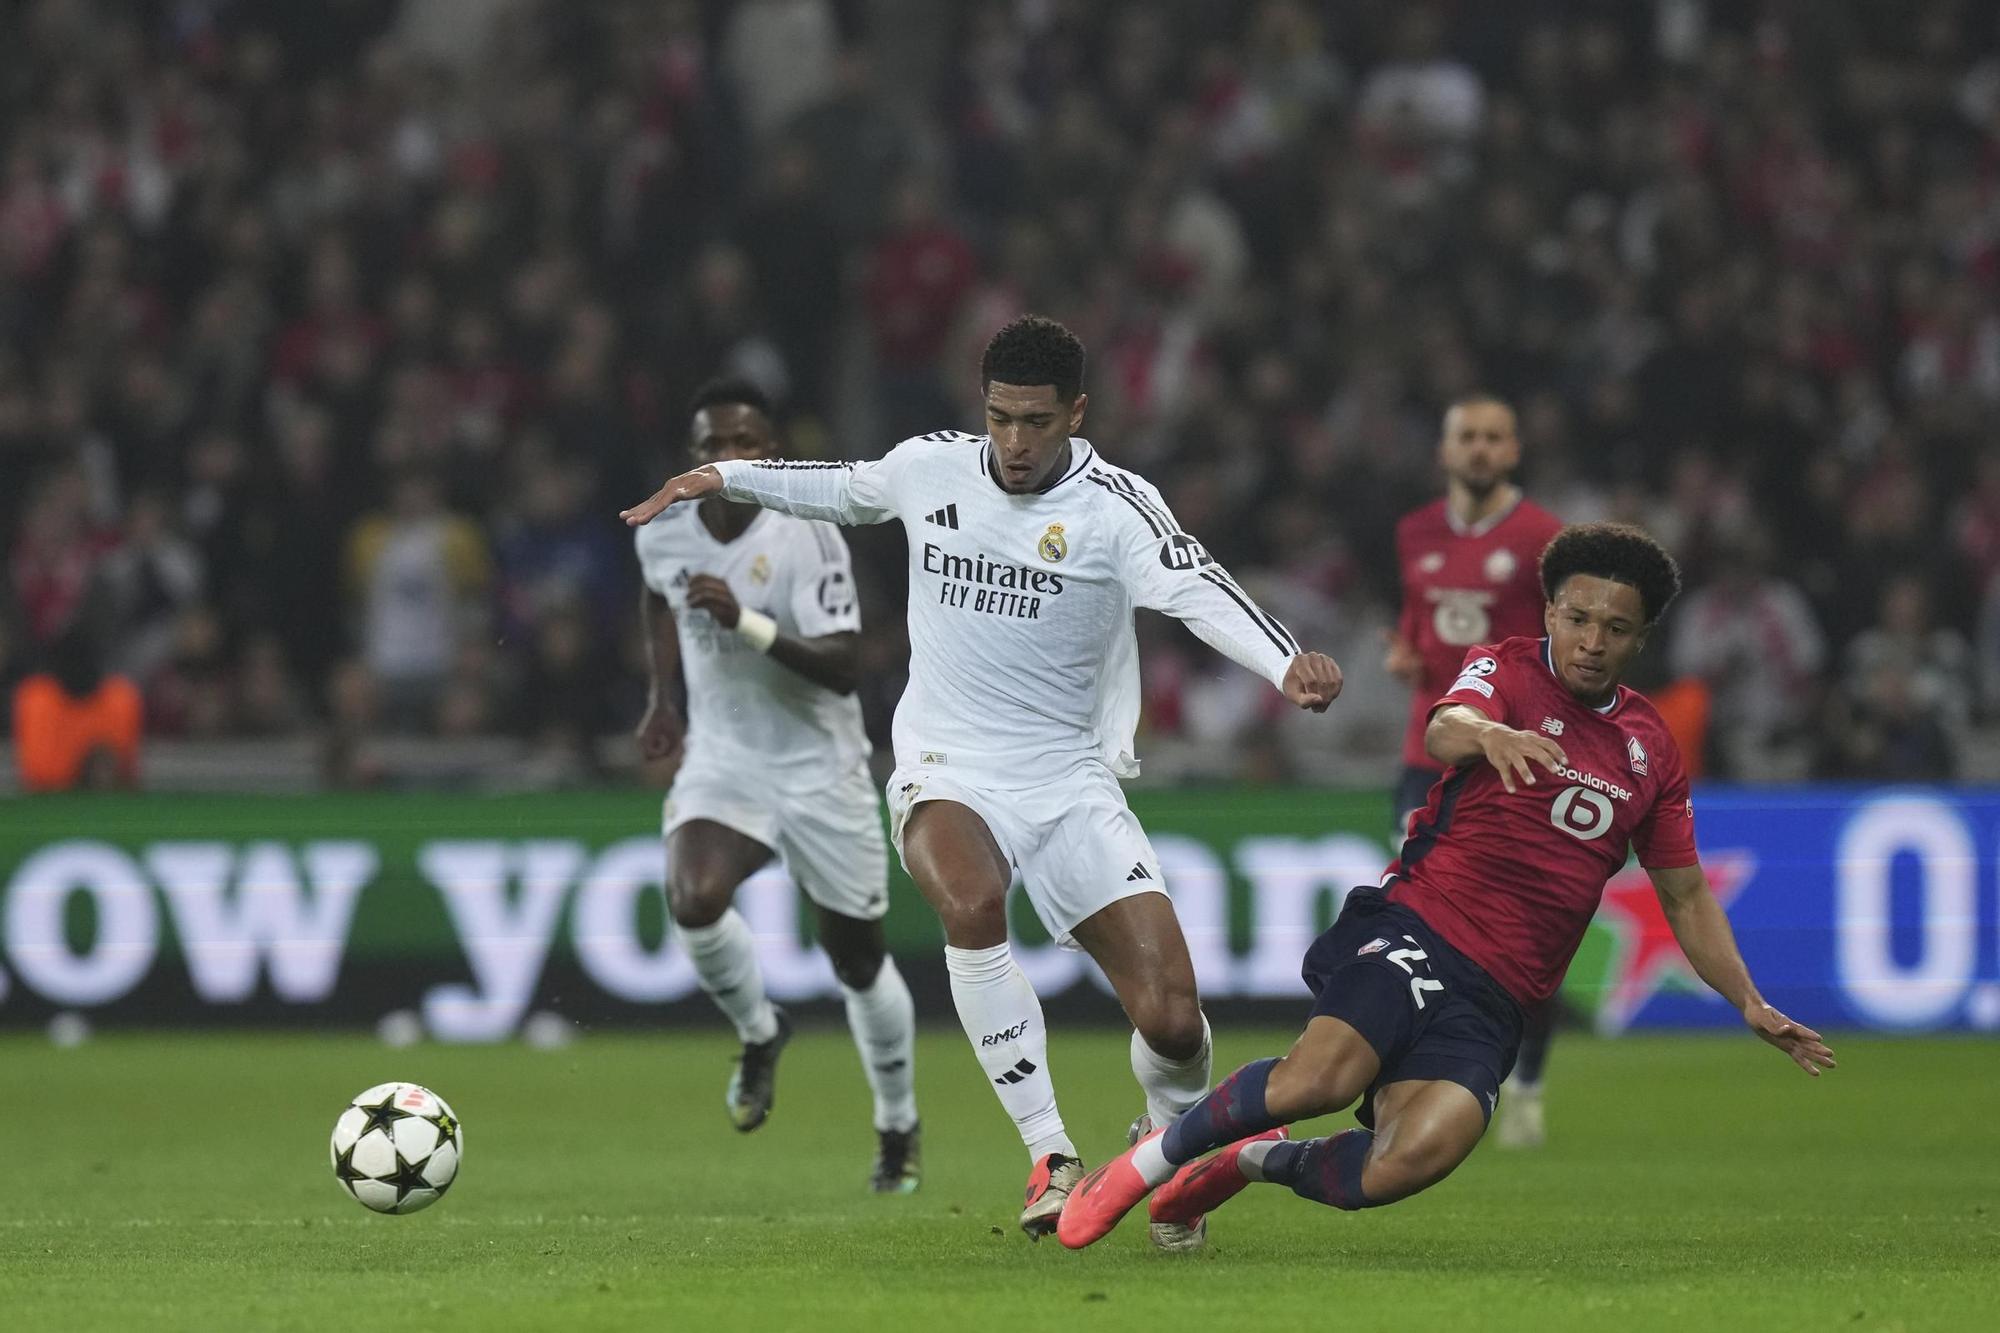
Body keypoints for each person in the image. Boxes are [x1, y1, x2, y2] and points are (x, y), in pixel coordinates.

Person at [623, 316, 1344, 1247]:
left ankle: (1167, 1140)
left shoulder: (1115, 508)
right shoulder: (935, 466)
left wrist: (1283, 661)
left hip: (1069, 778)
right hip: (946, 763)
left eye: (1036, 422)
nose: (1014, 441)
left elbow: (1194, 583)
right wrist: (721, 475)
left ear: (1076, 414)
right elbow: (839, 488)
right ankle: (1051, 1154)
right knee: (969, 903)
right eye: (1000, 417)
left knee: (1171, 1021)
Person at [1057, 521, 1835, 1250]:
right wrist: (1492, 733)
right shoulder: (1509, 668)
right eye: (1577, 617)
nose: (1592, 642)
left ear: (1642, 638)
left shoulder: (1650, 750)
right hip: (1419, 928)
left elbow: (1687, 895)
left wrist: (1747, 1000)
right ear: (1551, 612)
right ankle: (1141, 1164)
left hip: (1501, 999)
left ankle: (1246, 1162)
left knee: (1407, 1158)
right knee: (1322, 1078)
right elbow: (1444, 725)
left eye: (1616, 628)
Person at [633, 377, 921, 1194]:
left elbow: (842, 667)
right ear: (694, 458)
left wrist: (744, 624)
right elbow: (657, 599)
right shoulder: (664, 528)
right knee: (692, 897)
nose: (730, 458)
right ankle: (760, 1032)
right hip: (726, 758)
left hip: (820, 769)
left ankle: (897, 1123)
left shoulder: (808, 534)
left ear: (775, 451)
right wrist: (663, 700)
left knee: (858, 962)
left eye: (747, 443)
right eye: (715, 445)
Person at [1384, 393, 1562, 1147]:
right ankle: (1434, 1074)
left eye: (1494, 437)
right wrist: (1403, 649)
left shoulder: (1544, 539)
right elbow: (1415, 623)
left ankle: (1526, 1082)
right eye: (1468, 437)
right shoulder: (1414, 532)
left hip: (1513, 758)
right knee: (1419, 920)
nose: (1481, 450)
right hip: (1428, 756)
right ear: (1445, 450)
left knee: (1522, 937)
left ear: (1514, 450)